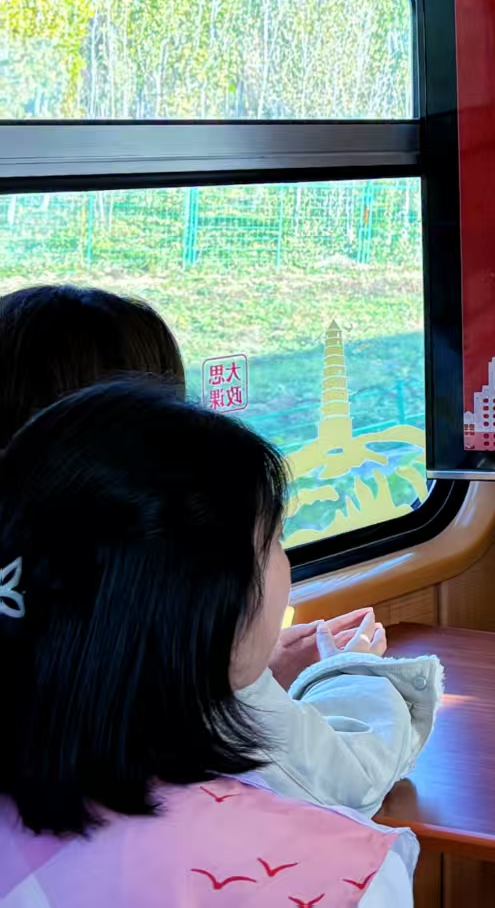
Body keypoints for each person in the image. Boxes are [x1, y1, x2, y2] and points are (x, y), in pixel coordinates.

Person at [0, 284, 438, 818]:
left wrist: (248, 668)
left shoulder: (34, 614)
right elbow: (349, 776)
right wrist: (348, 674)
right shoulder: (161, 604)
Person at [0, 383, 417, 905]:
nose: (284, 563)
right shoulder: (343, 877)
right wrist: (351, 672)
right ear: (207, 606)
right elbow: (351, 776)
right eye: (275, 540)